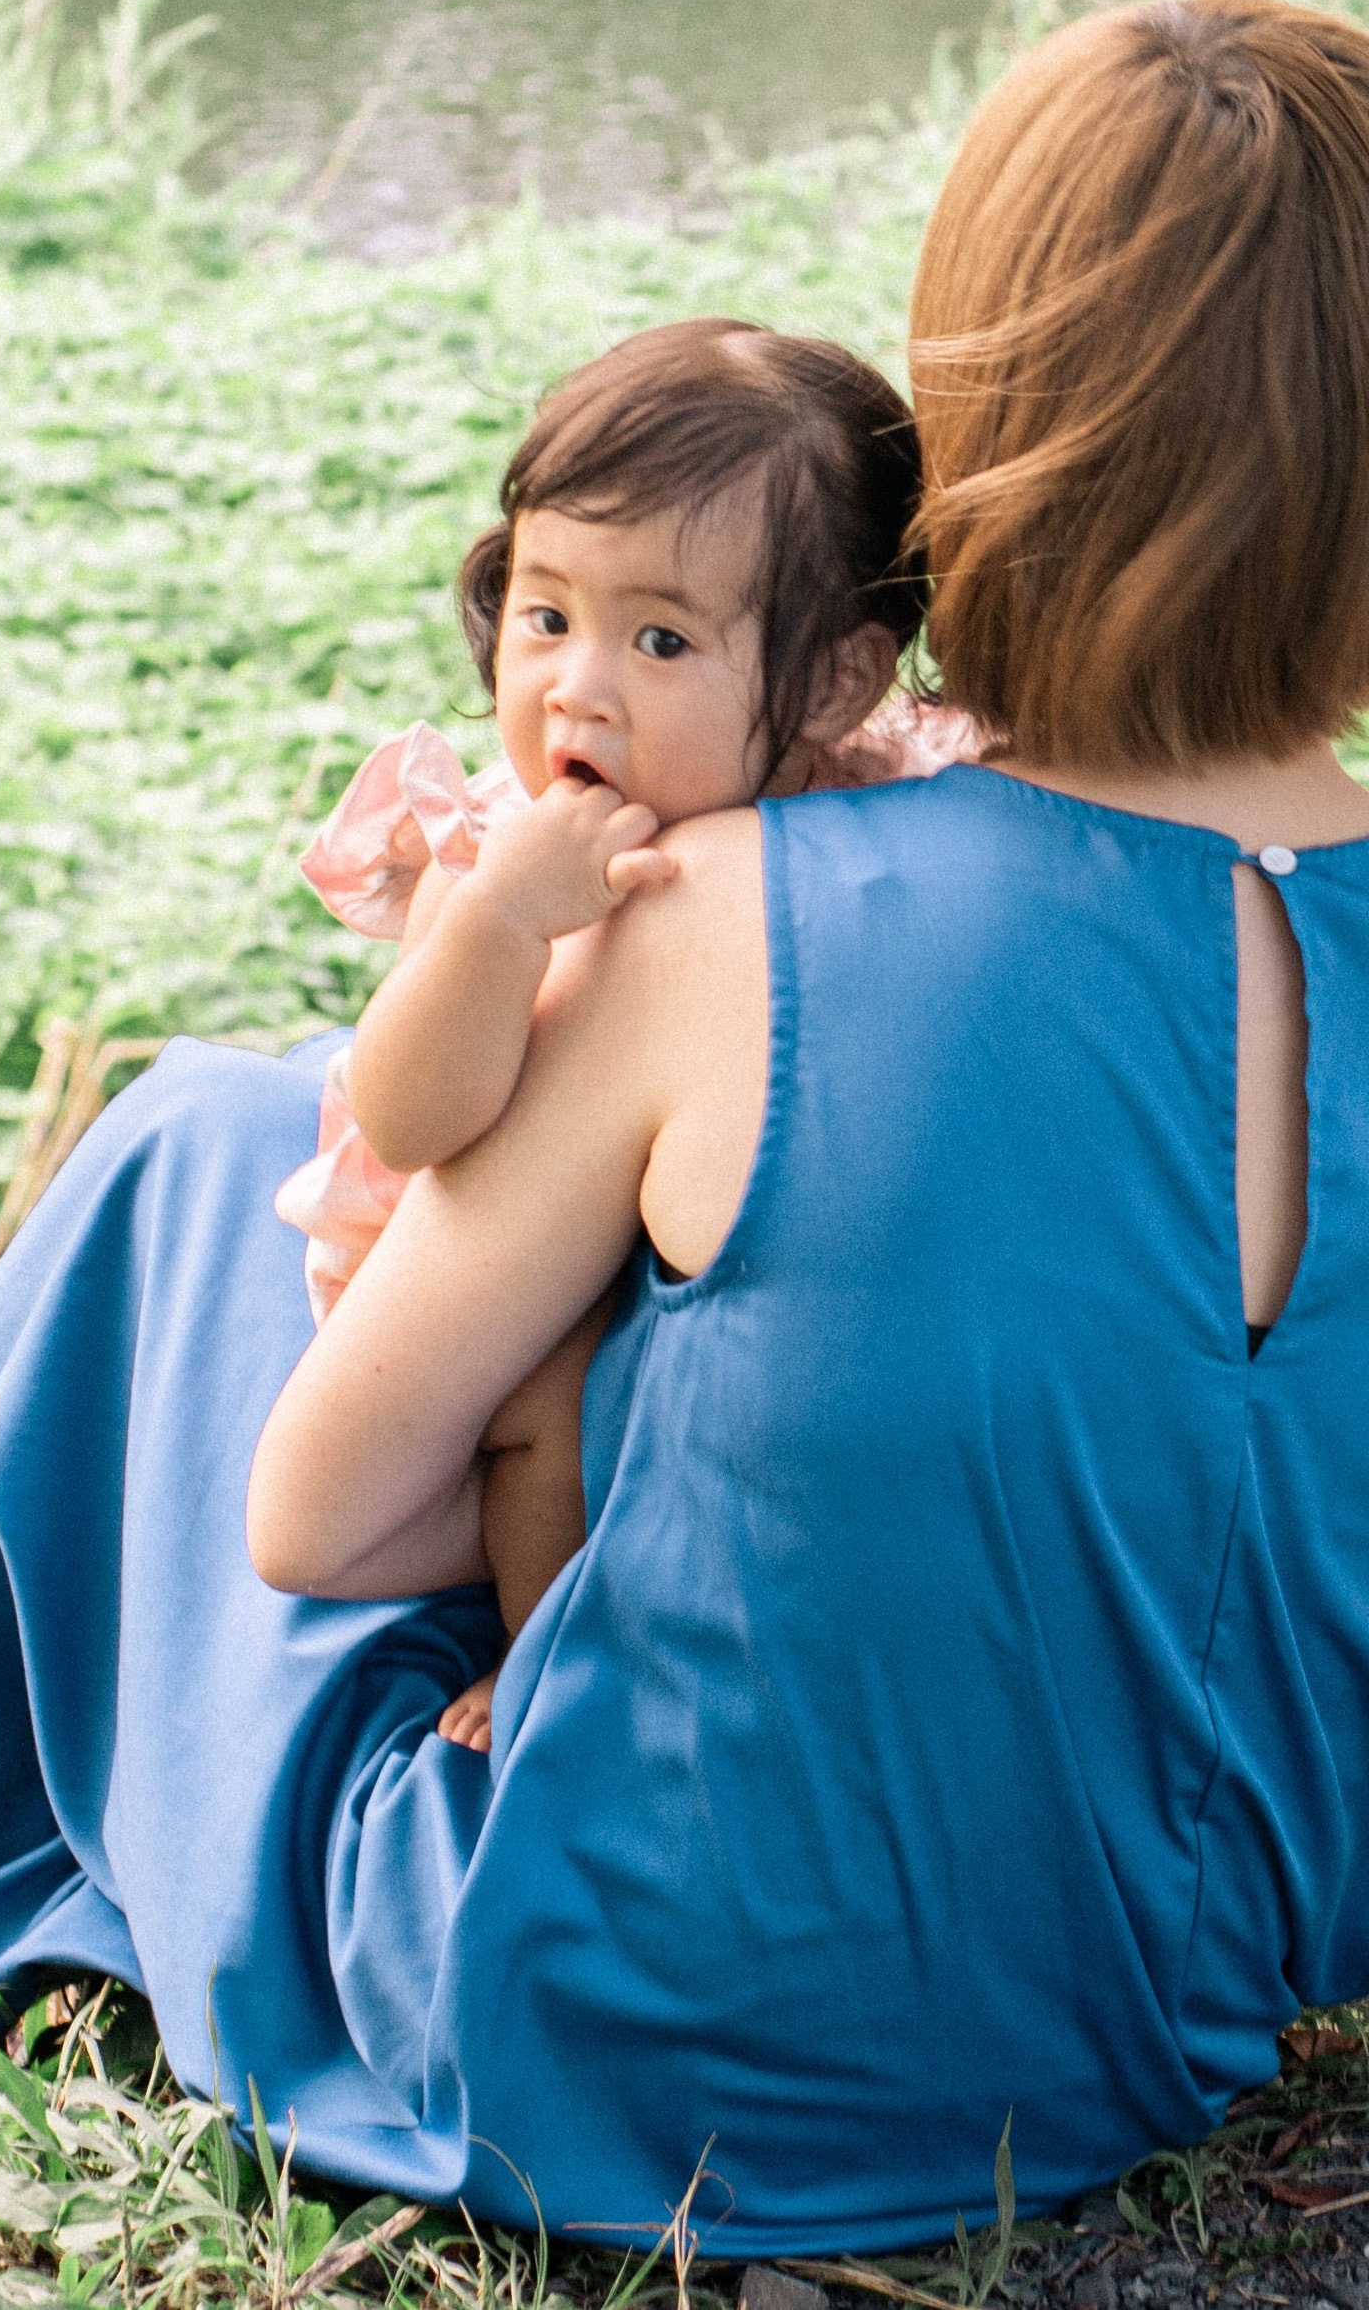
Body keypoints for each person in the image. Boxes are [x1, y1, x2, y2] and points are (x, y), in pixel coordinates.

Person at [0, 0, 1369, 2261]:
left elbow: (322, 1519)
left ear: (987, 422)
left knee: (199, 1135)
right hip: (1161, 2018)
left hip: (643, 2043)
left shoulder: (741, 918)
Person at [274, 317, 966, 1751]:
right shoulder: (505, 845)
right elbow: (415, 1119)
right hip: (510, 1285)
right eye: (547, 615)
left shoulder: (868, 806)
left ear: (837, 681)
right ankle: (543, 1649)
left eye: (659, 637)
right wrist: (495, 927)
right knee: (550, 1405)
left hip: (720, 1285)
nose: (578, 684)